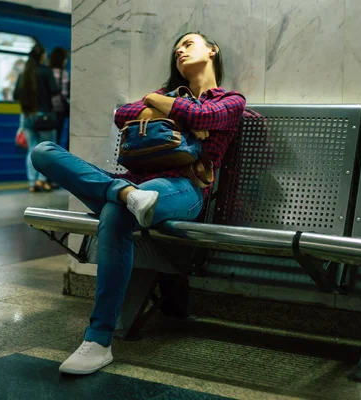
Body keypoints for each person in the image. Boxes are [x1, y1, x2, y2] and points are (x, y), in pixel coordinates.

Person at [31, 32, 246, 374]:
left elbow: (206, 118)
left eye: (189, 44)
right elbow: (123, 115)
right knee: (43, 152)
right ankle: (126, 194)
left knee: (116, 212)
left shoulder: (231, 100)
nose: (180, 50)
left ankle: (99, 340)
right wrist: (169, 105)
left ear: (213, 51)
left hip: (182, 189)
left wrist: (164, 107)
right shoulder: (164, 95)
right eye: (176, 48)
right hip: (134, 184)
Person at [14, 43, 60, 193]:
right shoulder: (46, 71)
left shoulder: (24, 73)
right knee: (45, 150)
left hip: (26, 116)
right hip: (44, 116)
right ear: (41, 56)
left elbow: (15, 95)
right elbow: (54, 90)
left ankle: (32, 183)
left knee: (31, 150)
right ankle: (42, 180)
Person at [49, 47, 70, 148]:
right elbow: (65, 93)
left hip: (48, 108)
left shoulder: (47, 71)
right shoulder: (64, 73)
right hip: (59, 109)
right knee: (57, 137)